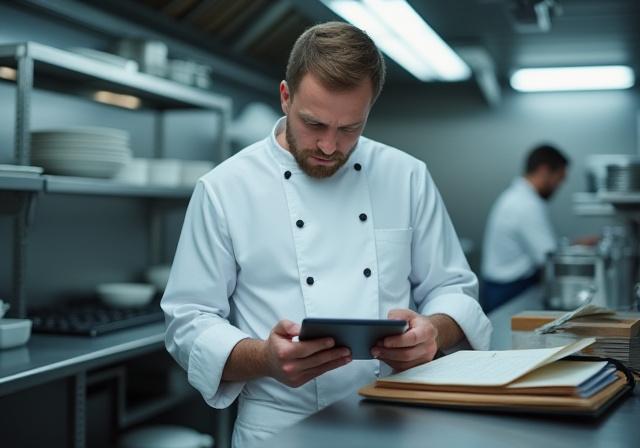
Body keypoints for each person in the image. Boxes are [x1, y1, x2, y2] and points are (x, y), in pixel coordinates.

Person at [161, 21, 492, 447]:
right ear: (285, 96)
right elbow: (188, 320)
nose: (330, 146)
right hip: (280, 428)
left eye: (350, 128)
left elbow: (452, 287)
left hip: (396, 416)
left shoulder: (406, 176)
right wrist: (265, 357)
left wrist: (434, 331)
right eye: (314, 124)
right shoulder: (224, 188)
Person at [481, 144, 570, 312]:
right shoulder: (526, 204)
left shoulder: (518, 197)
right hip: (509, 290)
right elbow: (548, 255)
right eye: (559, 179)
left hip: (502, 287)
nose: (558, 186)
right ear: (544, 170)